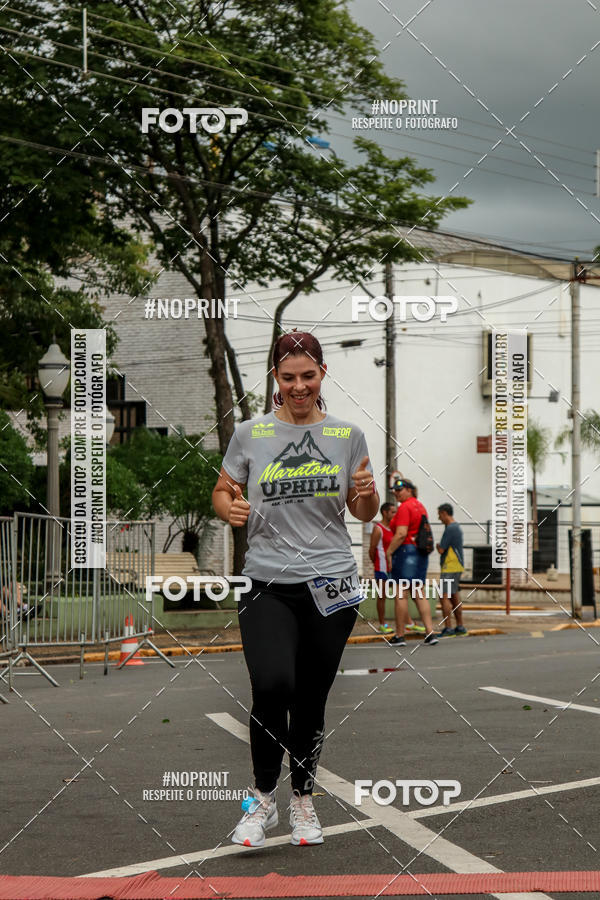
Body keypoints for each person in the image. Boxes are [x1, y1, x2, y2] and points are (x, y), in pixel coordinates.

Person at [211, 330, 379, 849]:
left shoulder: (347, 436)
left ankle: (303, 801)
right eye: (289, 378)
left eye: (308, 376)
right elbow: (222, 490)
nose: (299, 386)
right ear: (276, 380)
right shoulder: (250, 434)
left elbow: (363, 512)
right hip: (267, 581)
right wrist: (228, 509)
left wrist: (368, 496)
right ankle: (260, 801)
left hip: (331, 583)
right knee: (273, 685)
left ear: (322, 375)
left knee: (311, 698)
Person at [385, 478, 438, 646]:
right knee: (419, 593)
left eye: (399, 489)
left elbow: (401, 533)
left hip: (406, 551)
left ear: (409, 490)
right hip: (420, 553)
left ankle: (400, 635)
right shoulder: (420, 506)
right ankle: (430, 633)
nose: (396, 492)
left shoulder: (405, 507)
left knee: (401, 594)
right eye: (394, 490)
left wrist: (389, 551)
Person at [436, 504, 467, 636]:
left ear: (444, 513)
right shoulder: (457, 527)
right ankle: (460, 626)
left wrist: (437, 545)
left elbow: (441, 549)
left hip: (450, 565)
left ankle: (448, 627)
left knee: (443, 596)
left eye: (439, 514)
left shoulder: (450, 528)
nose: (439, 518)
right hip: (456, 566)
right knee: (454, 596)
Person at [368, 502, 395, 634]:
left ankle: (407, 623)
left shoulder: (393, 528)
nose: (394, 514)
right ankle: (382, 624)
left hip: (393, 568)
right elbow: (371, 549)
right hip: (381, 568)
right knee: (382, 596)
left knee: (400, 595)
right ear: (385, 512)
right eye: (392, 512)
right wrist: (377, 563)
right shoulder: (378, 528)